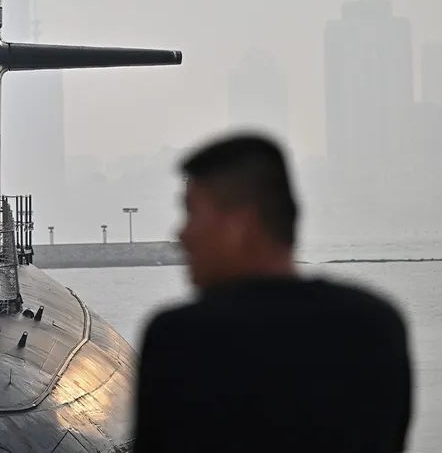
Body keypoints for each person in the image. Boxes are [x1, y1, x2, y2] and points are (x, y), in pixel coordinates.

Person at [132, 132, 413, 453]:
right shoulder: (376, 325)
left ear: (241, 226)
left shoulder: (179, 338)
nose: (182, 235)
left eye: (192, 213)